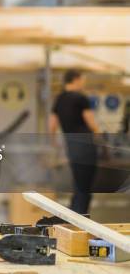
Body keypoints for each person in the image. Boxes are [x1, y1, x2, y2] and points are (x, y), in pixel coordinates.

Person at [49, 69, 100, 214]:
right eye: (82, 80)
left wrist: (53, 143)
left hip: (71, 144)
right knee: (85, 183)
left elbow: (52, 124)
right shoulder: (81, 98)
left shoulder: (59, 99)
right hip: (86, 145)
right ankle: (80, 215)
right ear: (76, 79)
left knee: (78, 181)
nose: (83, 83)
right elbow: (91, 123)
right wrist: (100, 137)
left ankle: (74, 212)